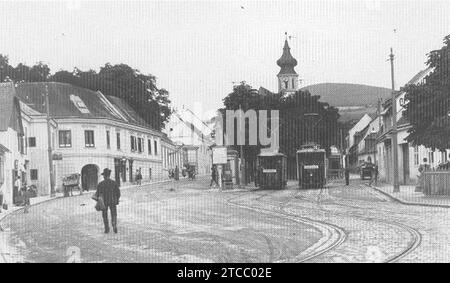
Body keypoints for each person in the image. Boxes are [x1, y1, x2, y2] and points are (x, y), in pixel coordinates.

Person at [95, 168, 121, 234]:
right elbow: (118, 193)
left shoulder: (100, 184)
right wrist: (116, 199)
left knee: (104, 215)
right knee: (114, 214)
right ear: (109, 175)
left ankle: (106, 228)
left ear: (104, 176)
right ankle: (114, 225)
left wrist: (98, 200)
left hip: (104, 202)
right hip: (112, 201)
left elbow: (97, 194)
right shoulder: (114, 183)